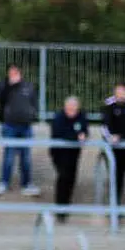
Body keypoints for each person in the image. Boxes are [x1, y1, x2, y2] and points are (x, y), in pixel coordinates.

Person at [0, 64, 41, 197]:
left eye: (15, 72)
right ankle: (4, 183)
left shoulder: (28, 86)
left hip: (26, 126)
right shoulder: (4, 86)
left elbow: (34, 103)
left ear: (20, 73)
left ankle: (27, 184)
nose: (13, 74)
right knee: (9, 156)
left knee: (25, 157)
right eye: (11, 72)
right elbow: (0, 100)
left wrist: (33, 115)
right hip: (10, 125)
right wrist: (10, 85)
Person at [49, 96, 88, 224]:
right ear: (65, 108)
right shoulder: (58, 117)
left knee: (71, 178)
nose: (71, 111)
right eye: (69, 109)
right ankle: (60, 208)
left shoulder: (82, 116)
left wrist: (83, 135)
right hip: (59, 153)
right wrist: (76, 136)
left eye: (74, 109)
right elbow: (59, 133)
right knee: (63, 176)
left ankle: (66, 204)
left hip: (74, 153)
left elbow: (85, 130)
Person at [101, 82, 125, 207]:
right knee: (114, 173)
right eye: (119, 92)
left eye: (124, 92)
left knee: (120, 174)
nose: (122, 95)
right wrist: (111, 137)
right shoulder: (109, 105)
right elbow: (104, 127)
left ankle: (116, 203)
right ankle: (113, 203)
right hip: (111, 147)